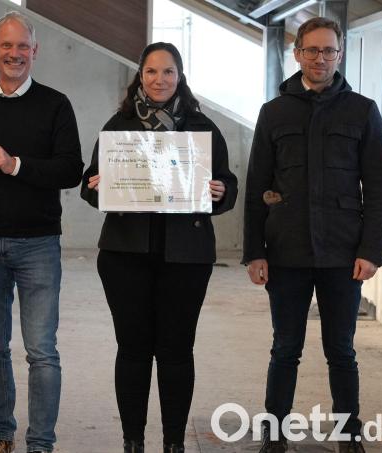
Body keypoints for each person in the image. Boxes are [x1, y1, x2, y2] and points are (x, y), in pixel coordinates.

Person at [80, 42, 237, 453]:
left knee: (176, 351)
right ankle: (133, 441)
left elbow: (227, 183)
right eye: (152, 72)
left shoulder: (203, 128)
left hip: (186, 258)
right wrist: (96, 187)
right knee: (132, 350)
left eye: (168, 72)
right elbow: (90, 184)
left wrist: (220, 191)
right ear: (141, 77)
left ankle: (173, 443)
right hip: (124, 256)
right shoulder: (118, 126)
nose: (160, 80)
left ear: (180, 77)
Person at [243, 17, 382, 453]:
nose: (321, 58)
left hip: (343, 252)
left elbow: (378, 188)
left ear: (339, 55)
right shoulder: (274, 112)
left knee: (341, 351)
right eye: (312, 50)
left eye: (329, 51)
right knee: (285, 348)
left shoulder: (362, 110)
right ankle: (275, 434)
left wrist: (371, 252)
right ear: (297, 54)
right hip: (286, 250)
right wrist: (255, 252)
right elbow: (256, 186)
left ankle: (349, 436)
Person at [0, 11, 83, 453]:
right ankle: (1, 435)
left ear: (35, 51)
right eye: (6, 46)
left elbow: (70, 170)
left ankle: (41, 443)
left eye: (22, 46)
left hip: (38, 245)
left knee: (42, 352)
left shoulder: (56, 104)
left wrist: (15, 165)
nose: (14, 54)